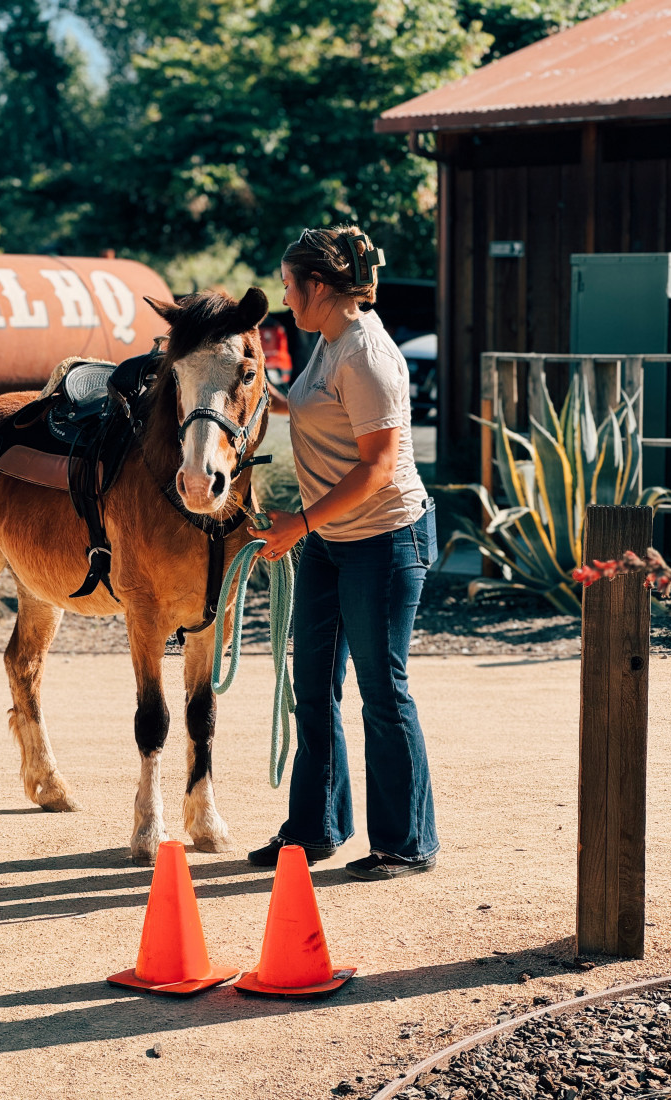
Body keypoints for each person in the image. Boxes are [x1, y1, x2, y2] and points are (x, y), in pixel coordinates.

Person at [247, 225, 439, 881]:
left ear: (319, 287)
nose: (284, 297)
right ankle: (315, 829)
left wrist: (298, 523)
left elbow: (379, 466)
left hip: (385, 540)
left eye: (289, 287)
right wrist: (243, 384)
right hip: (332, 539)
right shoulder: (326, 344)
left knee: (382, 695)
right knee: (312, 689)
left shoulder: (365, 354)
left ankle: (405, 844)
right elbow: (302, 409)